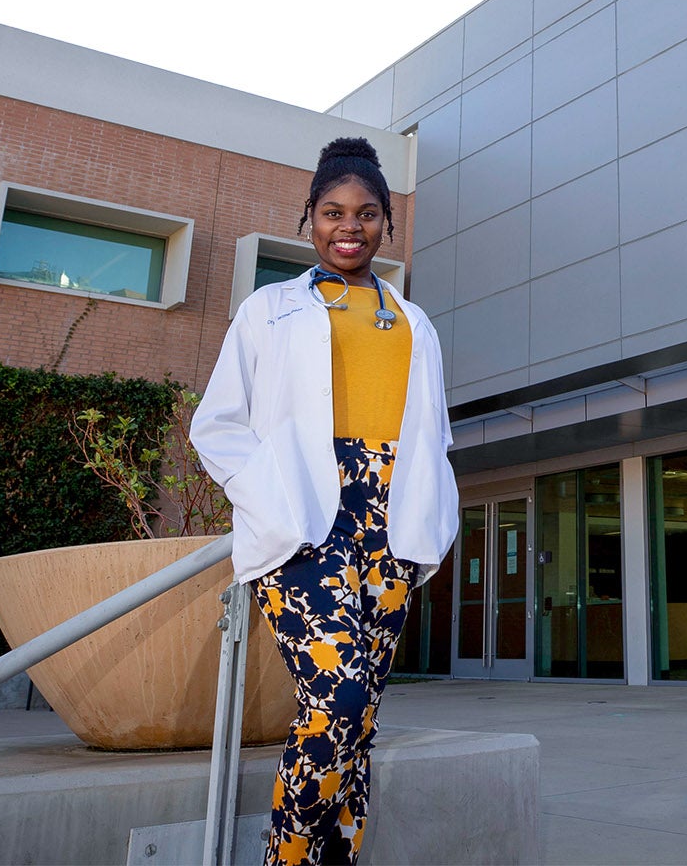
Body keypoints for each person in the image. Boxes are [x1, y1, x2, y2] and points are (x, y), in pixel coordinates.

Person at [193, 137, 458, 865]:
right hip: (304, 522)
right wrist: (268, 500)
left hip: (390, 528)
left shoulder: (414, 322)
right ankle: (285, 857)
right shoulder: (268, 309)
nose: (351, 226)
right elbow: (217, 424)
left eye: (368, 213)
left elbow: (434, 437)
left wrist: (433, 528)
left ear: (386, 225)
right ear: (309, 216)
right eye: (334, 211)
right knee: (336, 701)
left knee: (358, 723)